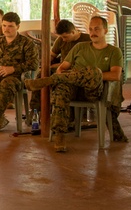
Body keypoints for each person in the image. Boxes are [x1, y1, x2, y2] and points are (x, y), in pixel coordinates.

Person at [24, 17, 123, 153]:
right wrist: (71, 76)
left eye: (97, 29)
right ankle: (60, 135)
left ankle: (48, 81)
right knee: (61, 89)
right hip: (74, 89)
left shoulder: (114, 51)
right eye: (91, 29)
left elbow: (115, 75)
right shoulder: (79, 47)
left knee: (94, 72)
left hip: (94, 91)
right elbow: (62, 69)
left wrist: (88, 74)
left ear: (105, 30)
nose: (93, 32)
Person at [29, 19, 90, 113]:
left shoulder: (87, 40)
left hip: (78, 70)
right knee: (42, 74)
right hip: (62, 68)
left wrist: (58, 66)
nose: (64, 39)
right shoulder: (61, 40)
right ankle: (36, 109)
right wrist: (45, 64)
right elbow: (52, 55)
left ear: (73, 32)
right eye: (61, 37)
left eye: (65, 37)